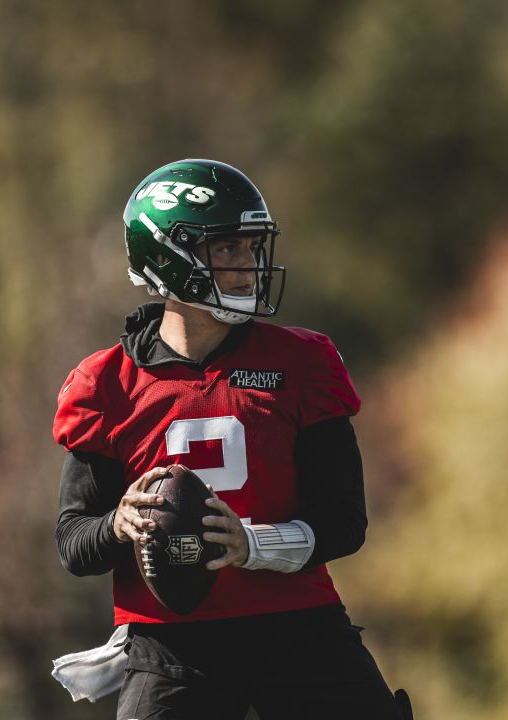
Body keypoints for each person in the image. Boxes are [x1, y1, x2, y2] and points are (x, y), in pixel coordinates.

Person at [52, 159, 409, 719]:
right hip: (171, 647)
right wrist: (119, 522)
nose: (247, 267)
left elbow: (345, 520)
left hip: (298, 630)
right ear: (168, 256)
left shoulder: (302, 362)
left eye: (251, 248)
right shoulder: (106, 384)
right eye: (226, 250)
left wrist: (252, 545)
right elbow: (74, 542)